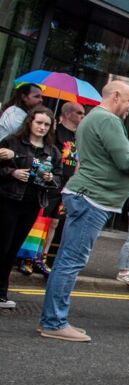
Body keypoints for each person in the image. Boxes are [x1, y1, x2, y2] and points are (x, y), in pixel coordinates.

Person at [38, 81, 129, 342]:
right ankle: (54, 322)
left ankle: (53, 319)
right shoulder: (109, 121)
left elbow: (109, 158)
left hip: (87, 196)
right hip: (93, 199)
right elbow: (124, 162)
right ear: (116, 96)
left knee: (67, 260)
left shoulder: (91, 119)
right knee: (70, 262)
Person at [0, 106, 62, 309]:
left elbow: (58, 178)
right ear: (30, 122)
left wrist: (50, 177)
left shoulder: (52, 151)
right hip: (8, 200)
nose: (42, 127)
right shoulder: (12, 142)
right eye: (39, 123)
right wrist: (12, 173)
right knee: (3, 245)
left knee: (13, 249)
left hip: (32, 203)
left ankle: (1, 293)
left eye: (46, 124)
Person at [42, 102, 85, 270]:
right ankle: (33, 256)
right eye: (79, 113)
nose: (82, 116)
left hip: (69, 184)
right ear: (67, 114)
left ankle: (46, 258)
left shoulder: (80, 136)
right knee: (45, 220)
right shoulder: (54, 132)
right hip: (53, 180)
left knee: (57, 222)